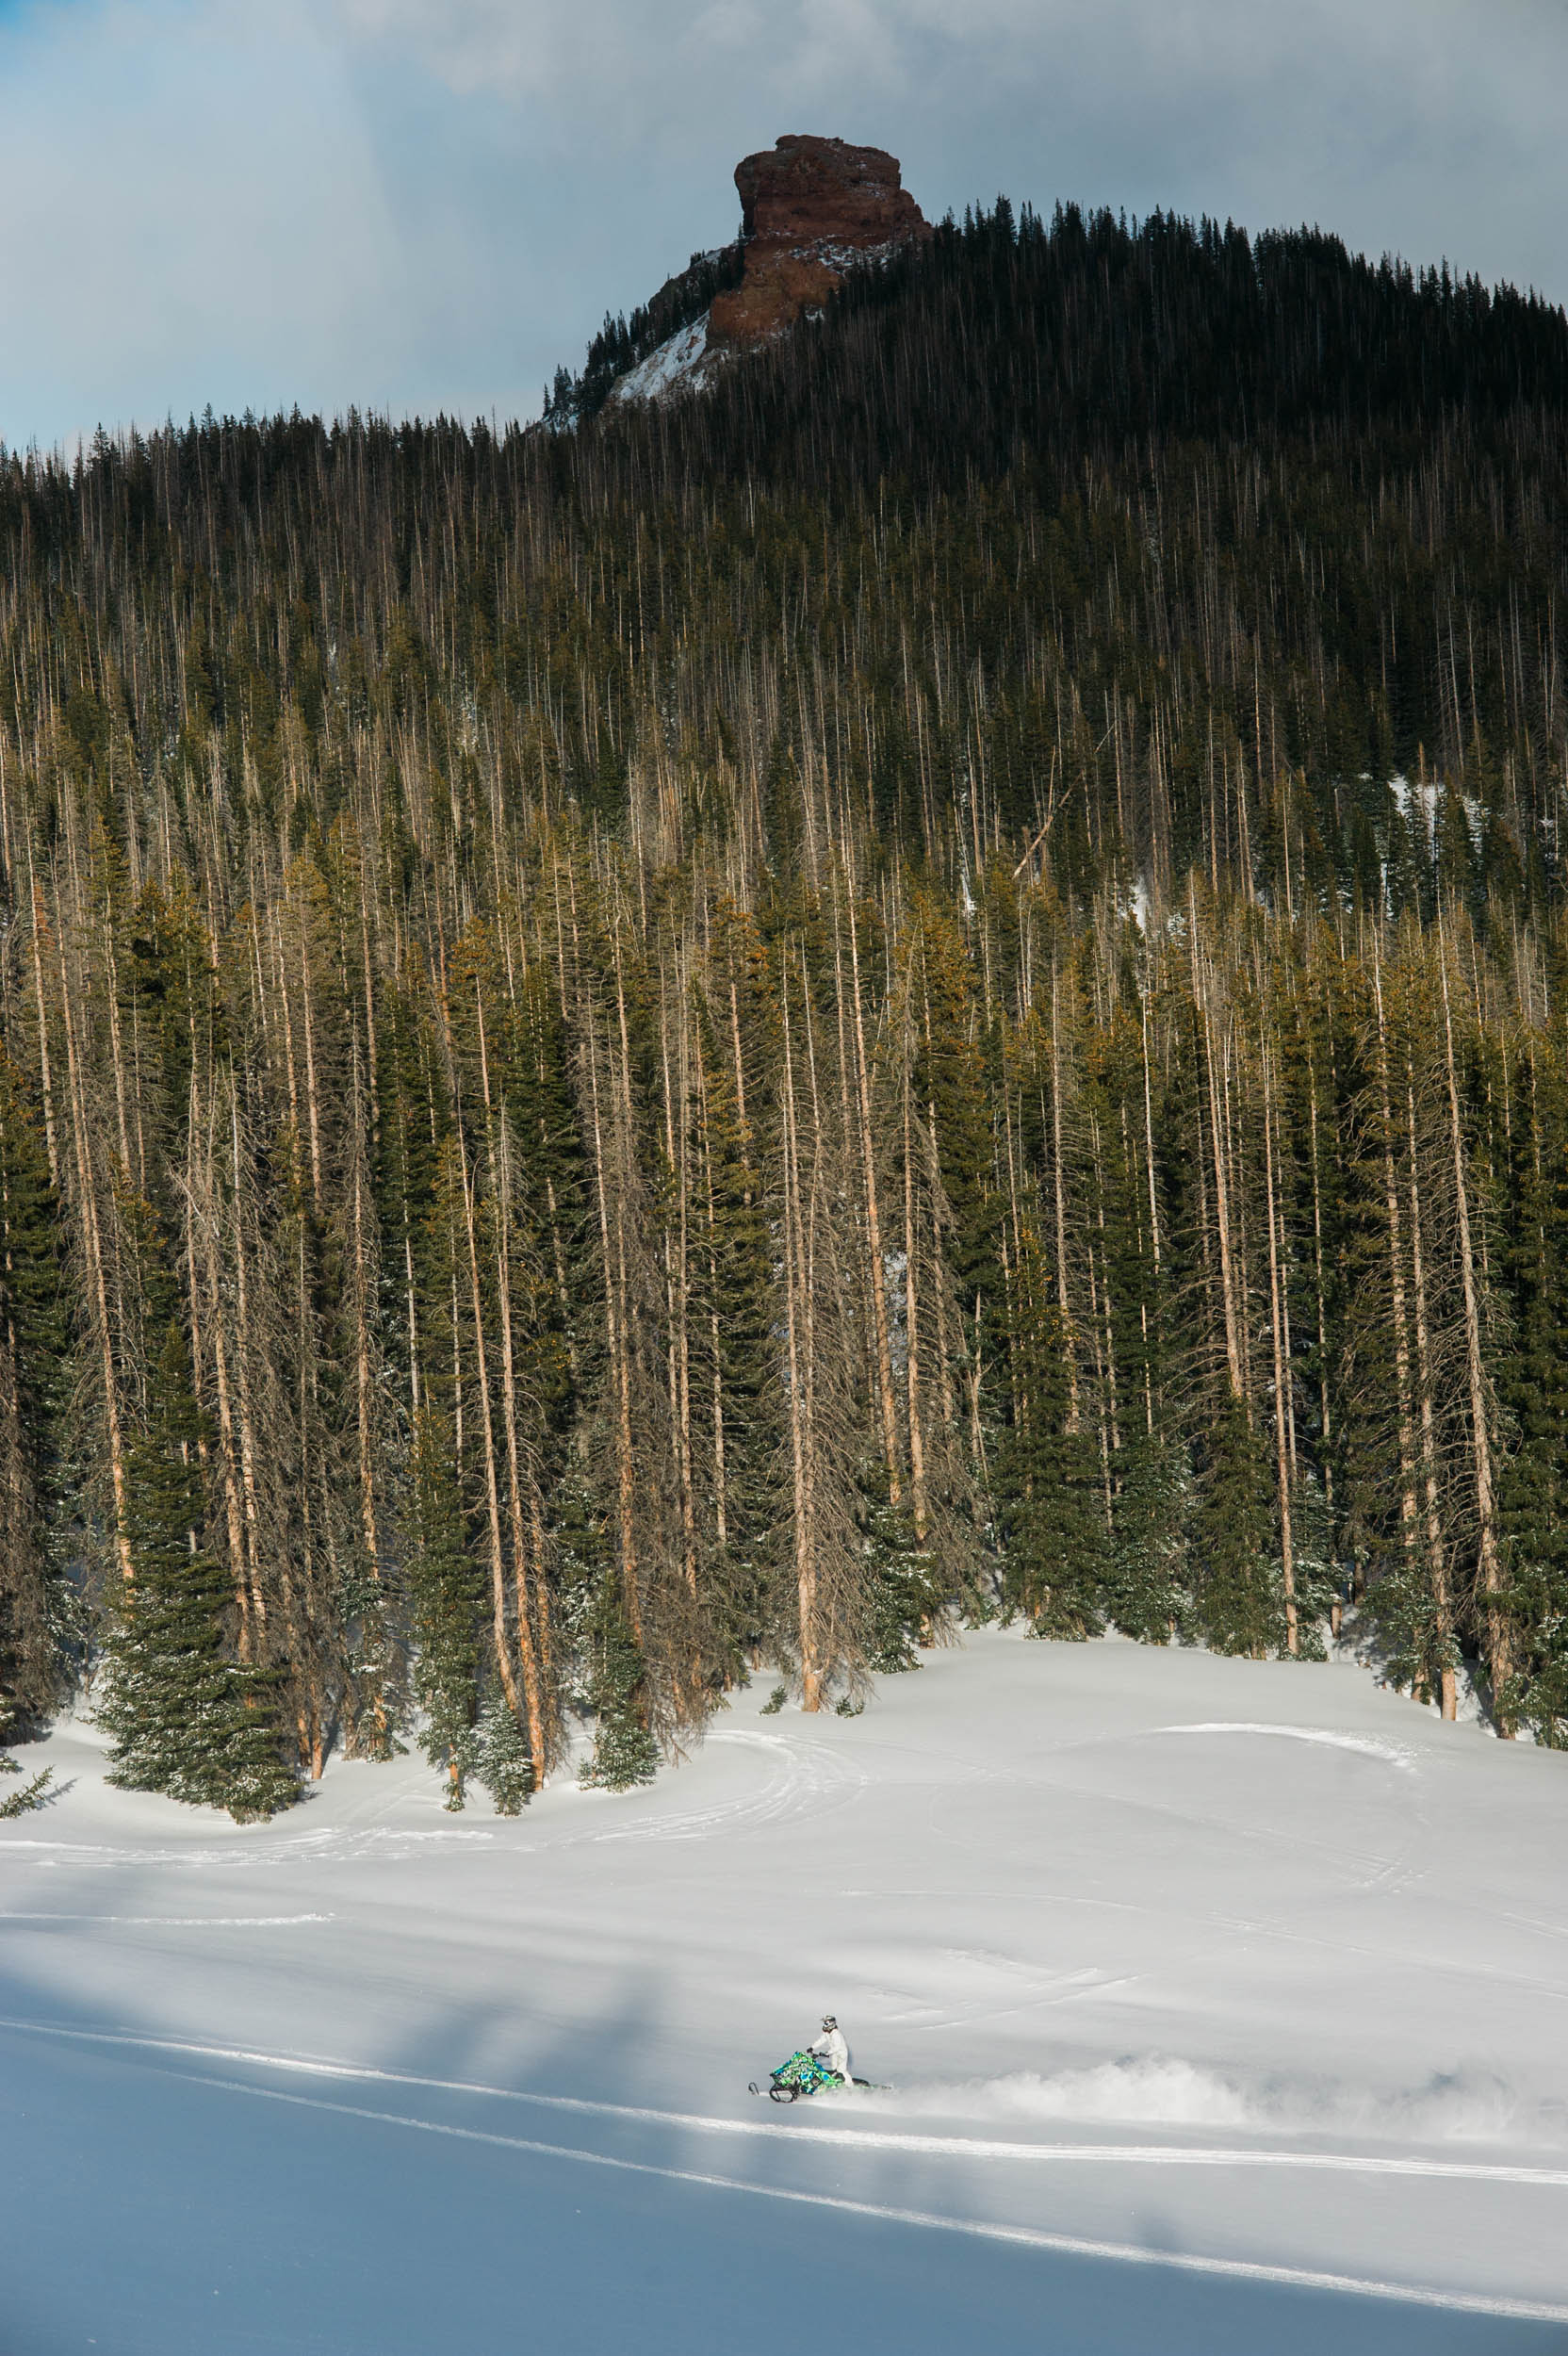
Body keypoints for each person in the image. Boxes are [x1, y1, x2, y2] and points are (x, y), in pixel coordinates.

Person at [809, 2014, 853, 2089]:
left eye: (826, 2023)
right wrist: (812, 2047)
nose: (824, 2025)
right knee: (834, 2069)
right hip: (834, 2054)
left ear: (831, 2024)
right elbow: (821, 2040)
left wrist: (827, 2053)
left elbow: (837, 2047)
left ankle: (850, 2085)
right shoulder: (827, 2033)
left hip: (841, 2053)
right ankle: (836, 2085)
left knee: (841, 2070)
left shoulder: (836, 2034)